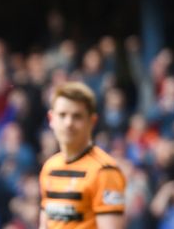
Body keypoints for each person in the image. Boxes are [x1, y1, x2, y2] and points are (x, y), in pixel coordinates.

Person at [39, 82, 126, 229]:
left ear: (92, 121)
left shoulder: (105, 171)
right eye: (62, 115)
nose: (68, 123)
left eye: (77, 116)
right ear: (51, 119)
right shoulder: (49, 167)